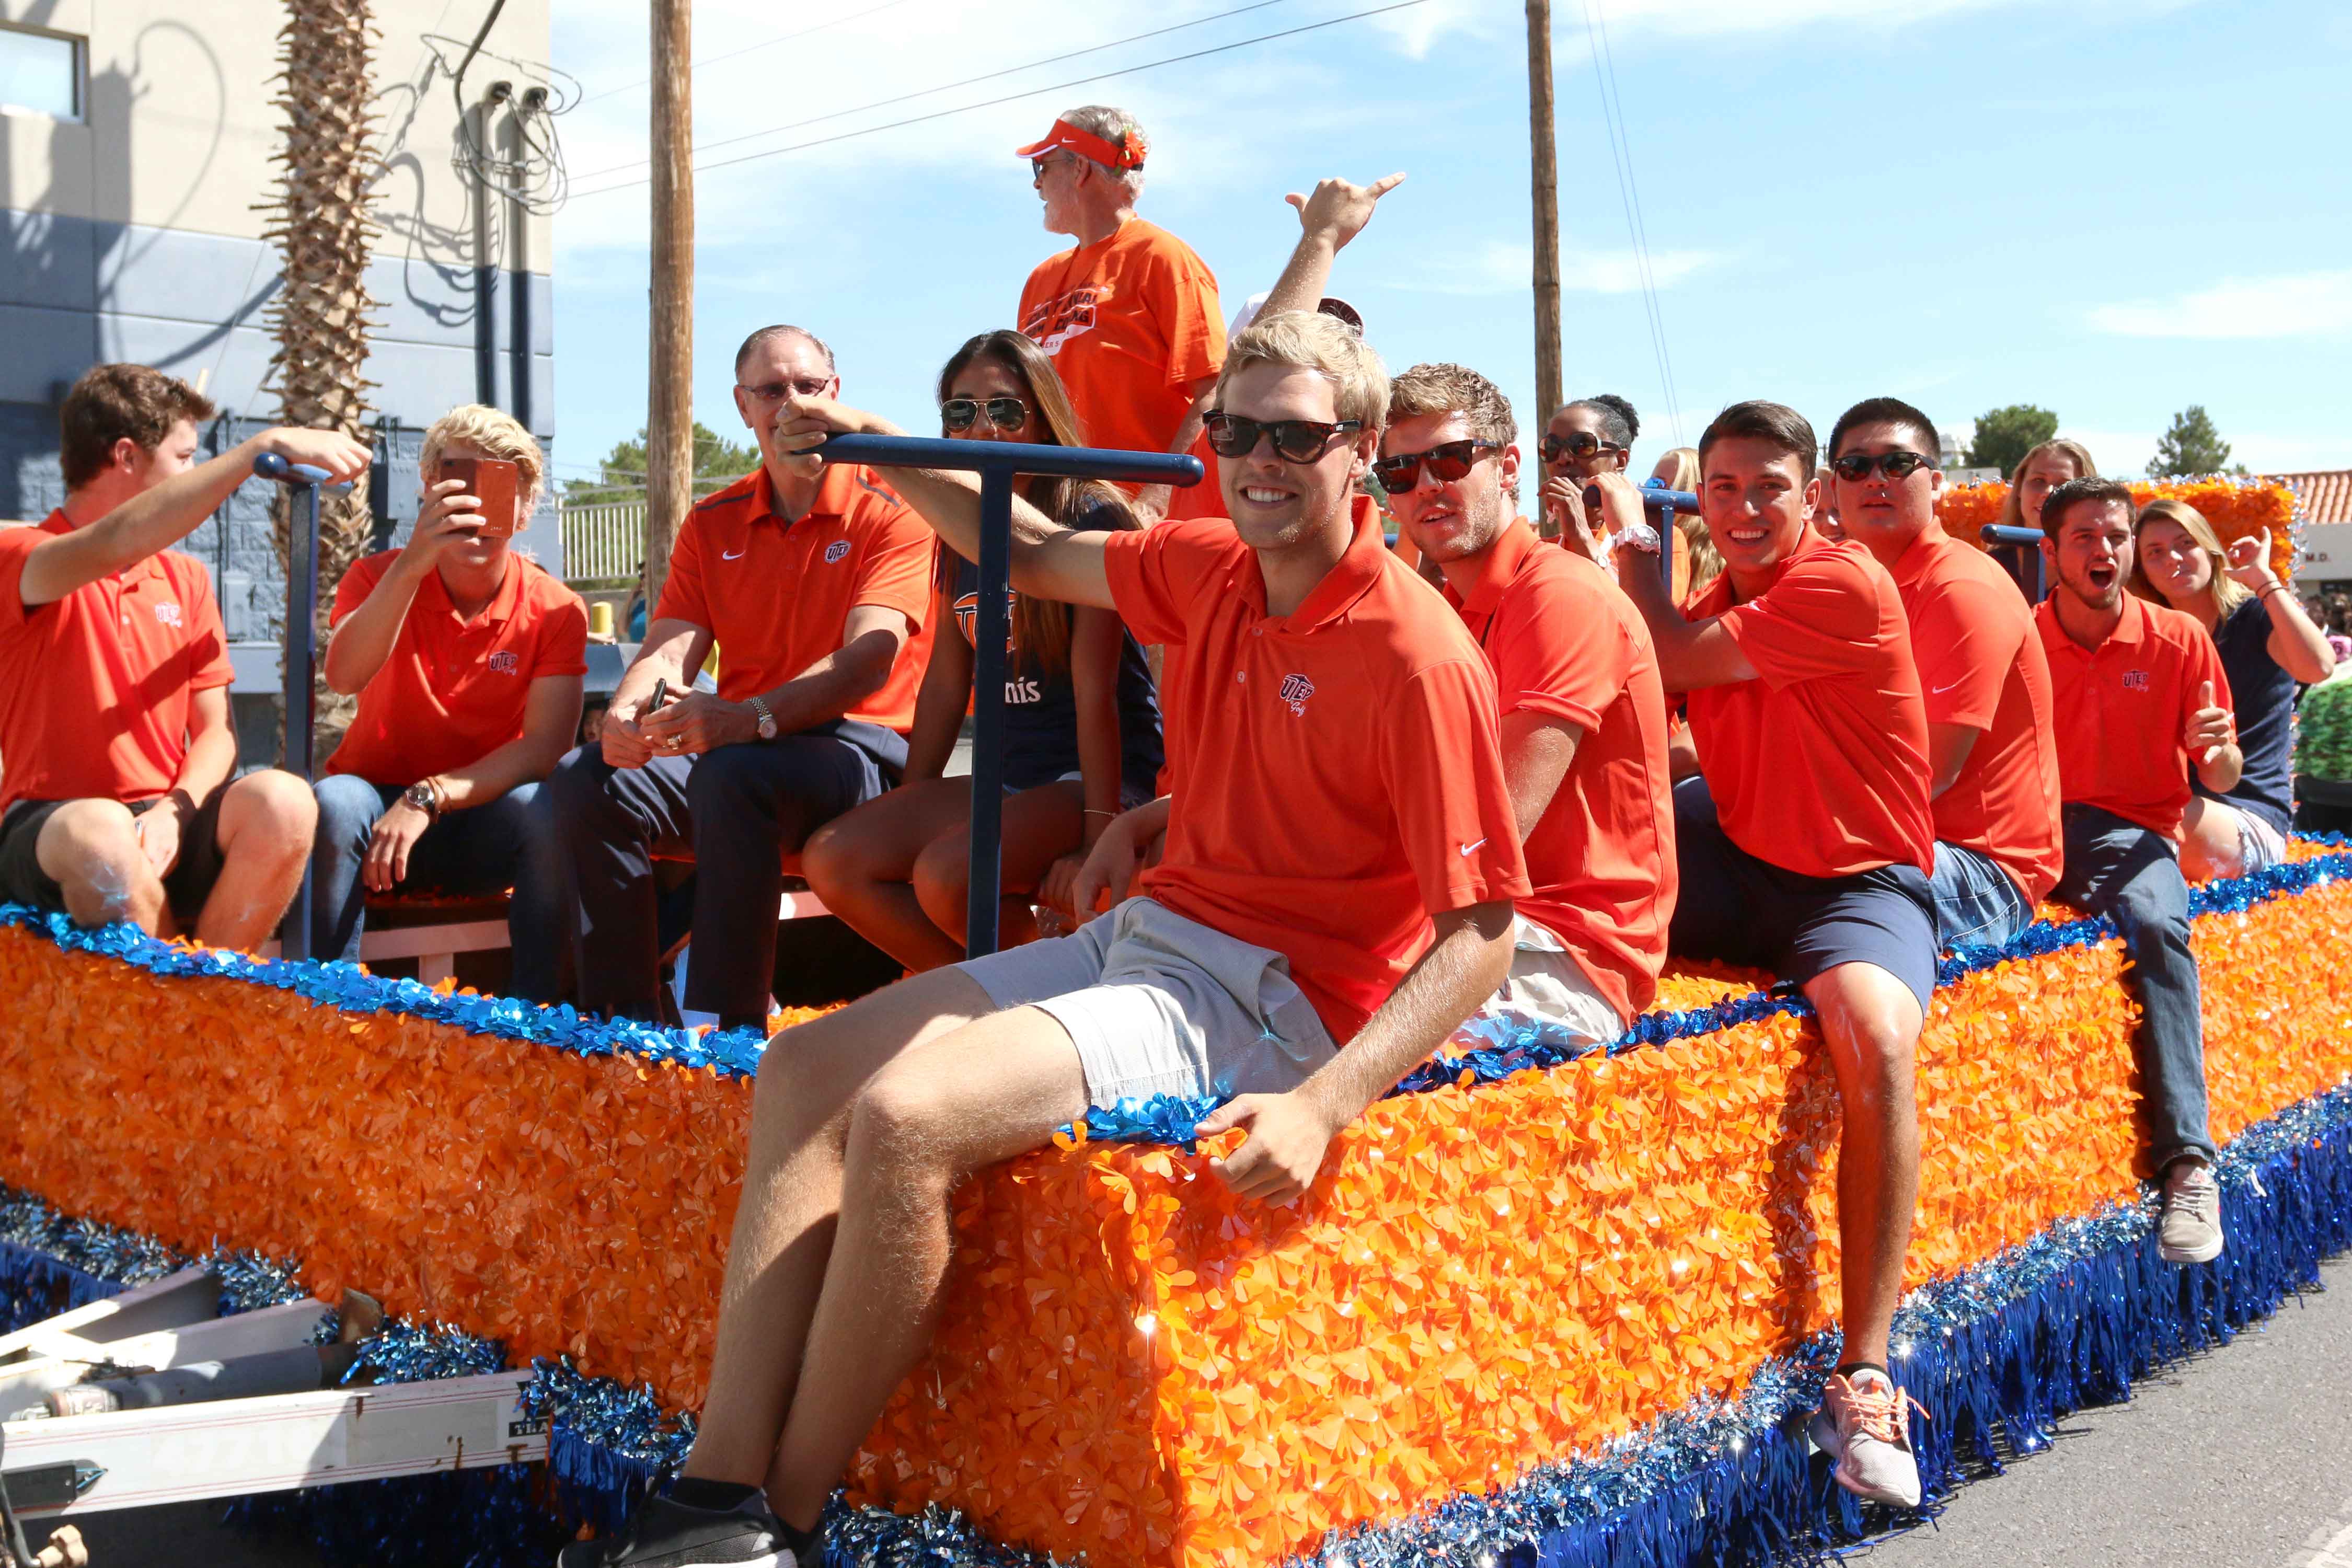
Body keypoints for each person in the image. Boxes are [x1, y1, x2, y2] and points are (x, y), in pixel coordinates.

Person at [557, 309, 1530, 1567]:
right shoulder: (1209, 565)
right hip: (1156, 933)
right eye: (1234, 431)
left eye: (1293, 433)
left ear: (1356, 451)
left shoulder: (1416, 650)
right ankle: (711, 1498)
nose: (1256, 458)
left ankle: (779, 1526)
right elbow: (1015, 541)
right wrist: (875, 439)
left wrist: (1323, 1103)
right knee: (802, 1071)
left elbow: (1480, 937)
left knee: (908, 1115)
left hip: (1267, 993)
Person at [1248, 172, 1673, 1041]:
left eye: (1449, 461)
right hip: (1475, 924)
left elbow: (1491, 832)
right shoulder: (1433, 605)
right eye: (1398, 473)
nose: (1423, 488)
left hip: (1562, 948)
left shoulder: (1559, 596)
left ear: (1508, 466)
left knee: (1276, 1019)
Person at [1613, 400, 1936, 1508]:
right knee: (1576, 884)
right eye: (1723, 488)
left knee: (1878, 1043)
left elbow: (1659, 648)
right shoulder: (1714, 594)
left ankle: (1868, 1372)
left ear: (1814, 498)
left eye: (1767, 488)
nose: (1745, 509)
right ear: (1699, 499)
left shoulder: (1844, 581)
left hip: (1854, 884)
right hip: (1741, 860)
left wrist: (1619, 547)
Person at [528, 325, 936, 1029]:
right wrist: (628, 715)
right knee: (583, 779)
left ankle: (729, 1035)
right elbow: (665, 650)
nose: (794, 405)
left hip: (864, 755)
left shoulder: (891, 508)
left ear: (837, 396)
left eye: (810, 388)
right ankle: (625, 1029)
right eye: (773, 391)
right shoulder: (714, 521)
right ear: (743, 406)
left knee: (731, 775)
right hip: (749, 752)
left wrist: (748, 720)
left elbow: (868, 661)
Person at [801, 331, 1162, 971]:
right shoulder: (958, 522)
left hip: (1096, 775)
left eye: (1005, 410)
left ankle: (1048, 996)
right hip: (1011, 774)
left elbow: (1097, 695)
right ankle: (984, 1008)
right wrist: (907, 804)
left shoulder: (1090, 514)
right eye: (960, 412)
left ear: (1044, 421)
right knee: (834, 858)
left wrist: (1094, 841)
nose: (983, 428)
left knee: (946, 877)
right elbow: (945, 682)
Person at [0, 364, 367, 949]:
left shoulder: (187, 579)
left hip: (167, 817)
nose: (196, 473)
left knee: (287, 800)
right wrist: (259, 449)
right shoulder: (21, 552)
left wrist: (177, 810)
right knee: (103, 834)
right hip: (54, 830)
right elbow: (114, 542)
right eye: (185, 456)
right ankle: (175, 1015)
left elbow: (216, 732)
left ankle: (208, 1005)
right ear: (125, 456)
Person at [2035, 476, 2238, 1266]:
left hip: (2132, 835)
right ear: (2051, 551)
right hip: (2029, 834)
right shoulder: (2018, 637)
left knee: (2157, 924)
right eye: (2085, 536)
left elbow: (2219, 776)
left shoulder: (2181, 639)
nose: (2106, 550)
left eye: (2115, 536)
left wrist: (2218, 749)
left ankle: (2189, 1163)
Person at [308, 406, 585, 985]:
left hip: (477, 813)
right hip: (374, 810)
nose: (479, 509)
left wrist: (428, 797)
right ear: (430, 489)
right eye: (461, 482)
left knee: (547, 807)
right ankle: (325, 1012)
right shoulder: (377, 576)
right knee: (336, 802)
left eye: (501, 485)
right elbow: (344, 678)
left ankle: (541, 1026)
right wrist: (413, 564)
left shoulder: (556, 608)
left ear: (526, 506)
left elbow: (543, 751)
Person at [1827, 397, 2061, 950]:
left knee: (1775, 865)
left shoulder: (1961, 589)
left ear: (1937, 484)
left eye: (1898, 464)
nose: (1876, 479)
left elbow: (1927, 774)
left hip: (1981, 870)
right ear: (1833, 487)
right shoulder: (1838, 579)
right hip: (1898, 840)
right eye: (1855, 467)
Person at [1016, 106, 1224, 522]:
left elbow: (1215, 394)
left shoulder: (1163, 258)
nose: (1037, 184)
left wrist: (1155, 500)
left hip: (1134, 525)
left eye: (1042, 166)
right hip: (1048, 518)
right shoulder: (1042, 277)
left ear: (1079, 169)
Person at [2131, 498, 2332, 878]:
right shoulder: (2149, 640)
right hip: (2176, 812)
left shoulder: (2255, 616)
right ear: (2143, 572)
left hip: (2246, 819)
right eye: (2155, 552)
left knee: (2126, 824)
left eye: (2185, 543)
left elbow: (2318, 667)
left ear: (2210, 550)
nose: (2174, 557)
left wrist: (2264, 582)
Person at [1541, 392, 1691, 594]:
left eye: (1582, 445)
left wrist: (1581, 538)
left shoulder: (1660, 539)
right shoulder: (1542, 550)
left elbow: (1651, 620)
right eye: (1552, 448)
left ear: (1620, 461)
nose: (1563, 458)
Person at [1651, 444, 1720, 600]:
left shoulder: (1728, 573)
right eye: (1653, 484)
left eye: (1661, 486)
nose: (1653, 493)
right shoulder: (1641, 550)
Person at [1996, 436, 2098, 534]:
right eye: (2039, 481)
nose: (2048, 492)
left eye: (2064, 485)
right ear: (2019, 488)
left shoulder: (2104, 552)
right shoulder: (1990, 553)